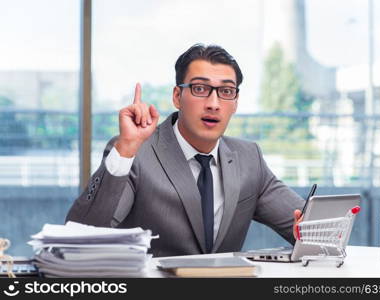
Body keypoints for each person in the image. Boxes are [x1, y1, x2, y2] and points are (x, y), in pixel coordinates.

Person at [66, 44, 305, 257]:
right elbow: (81, 235)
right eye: (200, 89)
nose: (213, 103)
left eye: (226, 91)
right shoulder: (136, 153)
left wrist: (326, 222)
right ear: (177, 96)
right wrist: (126, 150)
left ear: (235, 102)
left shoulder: (249, 158)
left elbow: (309, 227)